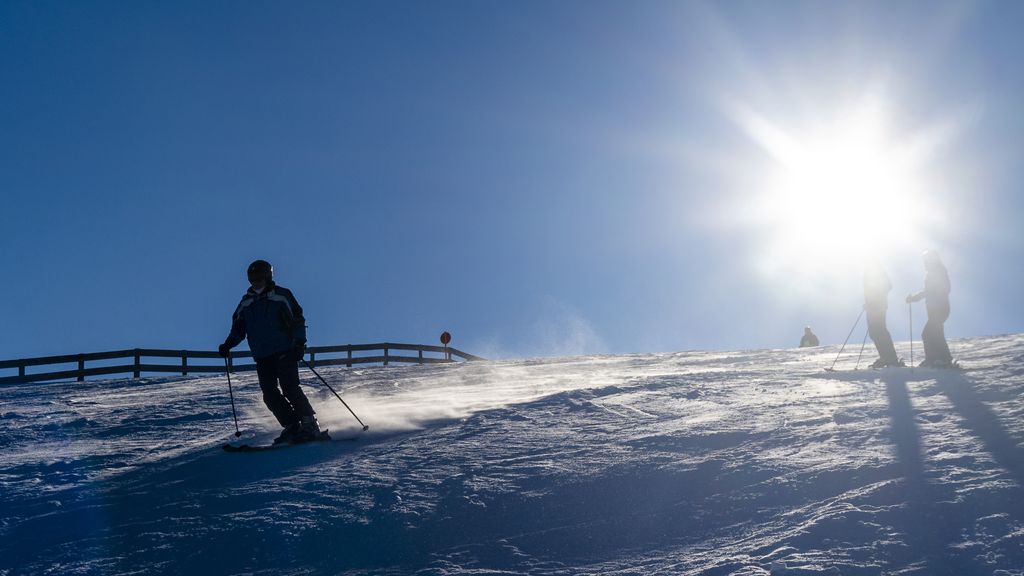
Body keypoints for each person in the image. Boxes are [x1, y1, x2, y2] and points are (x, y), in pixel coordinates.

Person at [218, 260, 326, 444]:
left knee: (290, 387)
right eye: (252, 278)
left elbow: (297, 319)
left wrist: (299, 343)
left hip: (285, 350)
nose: (256, 282)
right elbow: (238, 329)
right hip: (262, 355)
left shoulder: (281, 295)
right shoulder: (246, 303)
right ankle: (292, 425)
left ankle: (309, 424)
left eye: (259, 277)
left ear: (268, 276)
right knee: (269, 393)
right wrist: (228, 345)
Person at [906, 249, 955, 368]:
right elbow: (927, 291)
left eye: (927, 259)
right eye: (925, 260)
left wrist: (932, 293)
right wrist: (914, 298)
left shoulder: (938, 271)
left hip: (940, 308)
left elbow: (945, 288)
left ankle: (940, 359)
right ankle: (938, 359)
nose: (925, 262)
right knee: (933, 332)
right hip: (936, 309)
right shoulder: (933, 272)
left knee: (929, 333)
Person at [864, 260, 902, 368]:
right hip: (872, 307)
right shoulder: (868, 273)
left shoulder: (878, 272)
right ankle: (885, 357)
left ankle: (890, 358)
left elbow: (888, 286)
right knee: (874, 332)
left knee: (880, 331)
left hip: (878, 306)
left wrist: (874, 300)